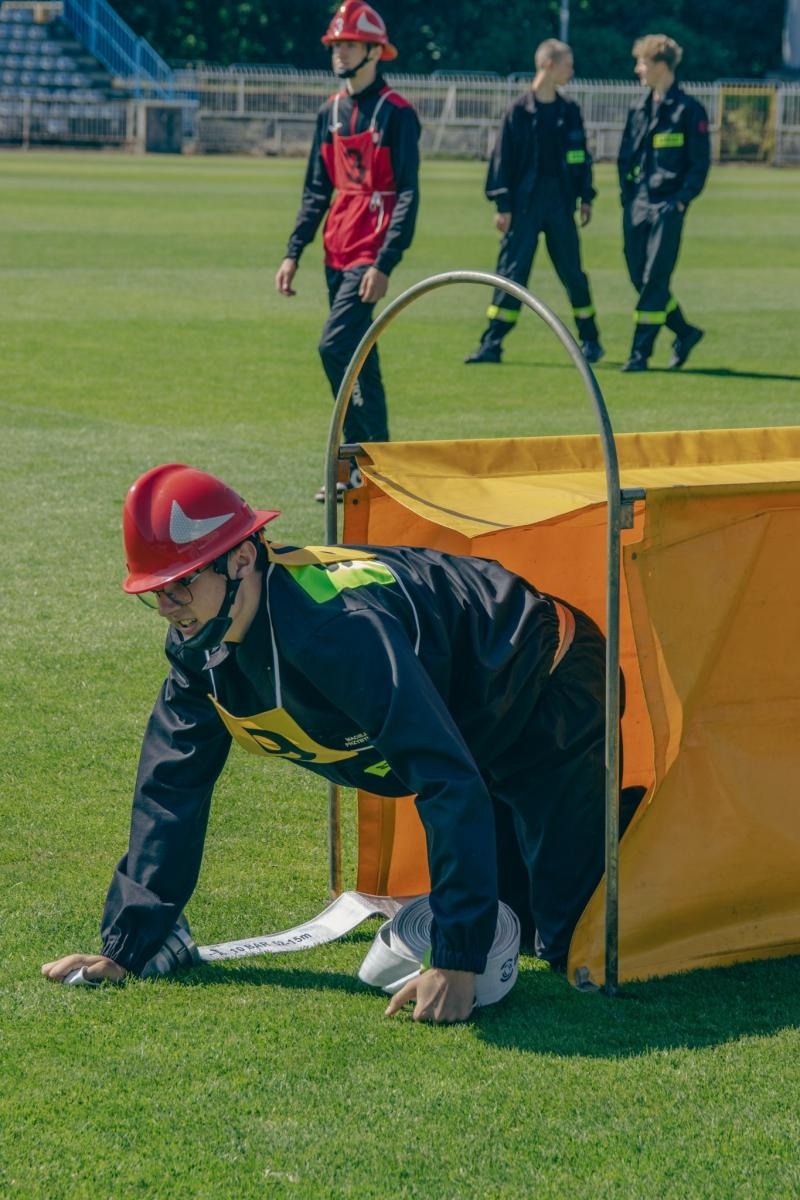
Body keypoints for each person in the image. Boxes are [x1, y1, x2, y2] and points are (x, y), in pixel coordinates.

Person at [42, 464, 640, 1024]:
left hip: (547, 681)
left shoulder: (335, 630)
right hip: (467, 713)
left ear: (243, 559)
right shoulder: (200, 646)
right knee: (514, 915)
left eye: (182, 584)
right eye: (157, 592)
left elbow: (443, 777)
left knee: (570, 940)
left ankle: (645, 831)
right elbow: (170, 786)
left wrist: (457, 961)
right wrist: (128, 945)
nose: (169, 609)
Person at [274, 0, 420, 501]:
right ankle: (381, 468)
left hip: (369, 253)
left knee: (336, 348)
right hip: (336, 249)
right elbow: (317, 190)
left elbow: (408, 194)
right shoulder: (329, 112)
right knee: (364, 361)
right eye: (336, 45)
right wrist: (294, 250)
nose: (340, 53)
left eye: (350, 44)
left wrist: (385, 263)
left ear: (375, 51)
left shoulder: (398, 114)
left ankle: (354, 463)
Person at [465, 39, 602, 366]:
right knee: (511, 273)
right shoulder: (517, 112)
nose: (572, 71)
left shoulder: (570, 112)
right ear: (550, 65)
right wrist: (503, 205)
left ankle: (591, 340)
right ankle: (492, 343)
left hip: (560, 203)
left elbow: (581, 156)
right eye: (568, 64)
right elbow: (502, 161)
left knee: (572, 273)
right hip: (524, 204)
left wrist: (586, 195)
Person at [618, 34, 710, 372]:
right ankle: (685, 332)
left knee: (655, 278)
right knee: (637, 276)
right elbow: (625, 157)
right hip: (638, 204)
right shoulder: (639, 108)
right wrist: (627, 197)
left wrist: (682, 201)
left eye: (642, 63)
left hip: (669, 204)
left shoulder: (689, 110)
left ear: (660, 65)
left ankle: (639, 353)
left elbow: (699, 164)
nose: (637, 69)